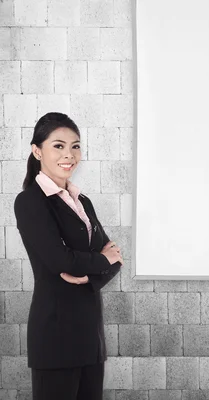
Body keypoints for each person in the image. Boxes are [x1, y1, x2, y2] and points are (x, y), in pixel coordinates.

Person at [13, 112, 125, 399]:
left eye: (75, 146)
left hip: (90, 337)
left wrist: (89, 273)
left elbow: (116, 258)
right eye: (59, 146)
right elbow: (60, 261)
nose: (70, 154)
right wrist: (101, 261)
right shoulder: (30, 201)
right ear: (37, 151)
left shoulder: (82, 201)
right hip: (55, 337)